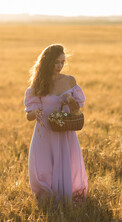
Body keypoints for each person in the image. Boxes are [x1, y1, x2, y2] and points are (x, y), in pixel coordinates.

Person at [24, 44, 88, 202]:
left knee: (65, 162)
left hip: (64, 130)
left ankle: (66, 197)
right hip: (45, 131)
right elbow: (29, 116)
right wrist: (36, 112)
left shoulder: (69, 81)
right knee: (43, 165)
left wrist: (71, 100)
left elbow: (77, 109)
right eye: (56, 62)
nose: (60, 66)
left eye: (62, 62)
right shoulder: (38, 84)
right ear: (47, 62)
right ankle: (46, 198)